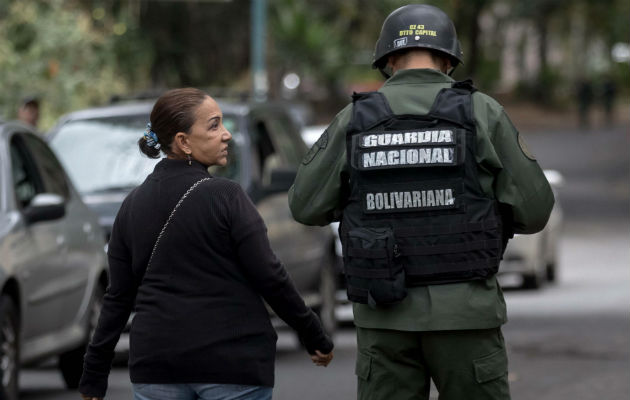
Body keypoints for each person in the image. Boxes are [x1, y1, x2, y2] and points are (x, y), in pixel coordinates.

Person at [288, 5, 554, 400]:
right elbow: (535, 211)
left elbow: (305, 206)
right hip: (466, 317)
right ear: (448, 59)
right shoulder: (481, 111)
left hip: (385, 317)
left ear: (388, 60)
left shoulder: (355, 119)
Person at [79, 88, 333, 400]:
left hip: (156, 368)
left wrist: (94, 372)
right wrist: (313, 333)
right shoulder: (227, 197)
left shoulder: (131, 206)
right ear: (183, 141)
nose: (227, 135)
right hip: (232, 368)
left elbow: (118, 297)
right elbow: (270, 276)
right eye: (214, 126)